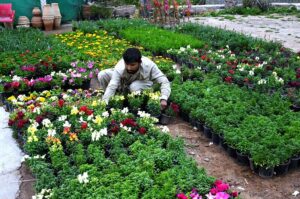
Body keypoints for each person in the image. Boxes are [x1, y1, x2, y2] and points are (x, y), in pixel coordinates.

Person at [98, 48, 170, 110]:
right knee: (102, 75)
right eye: (127, 64)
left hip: (142, 84)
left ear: (139, 62)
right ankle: (113, 100)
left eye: (132, 65)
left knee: (134, 86)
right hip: (125, 83)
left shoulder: (149, 65)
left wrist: (164, 98)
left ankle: (135, 104)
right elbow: (112, 85)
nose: (129, 68)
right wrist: (104, 104)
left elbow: (164, 81)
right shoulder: (120, 67)